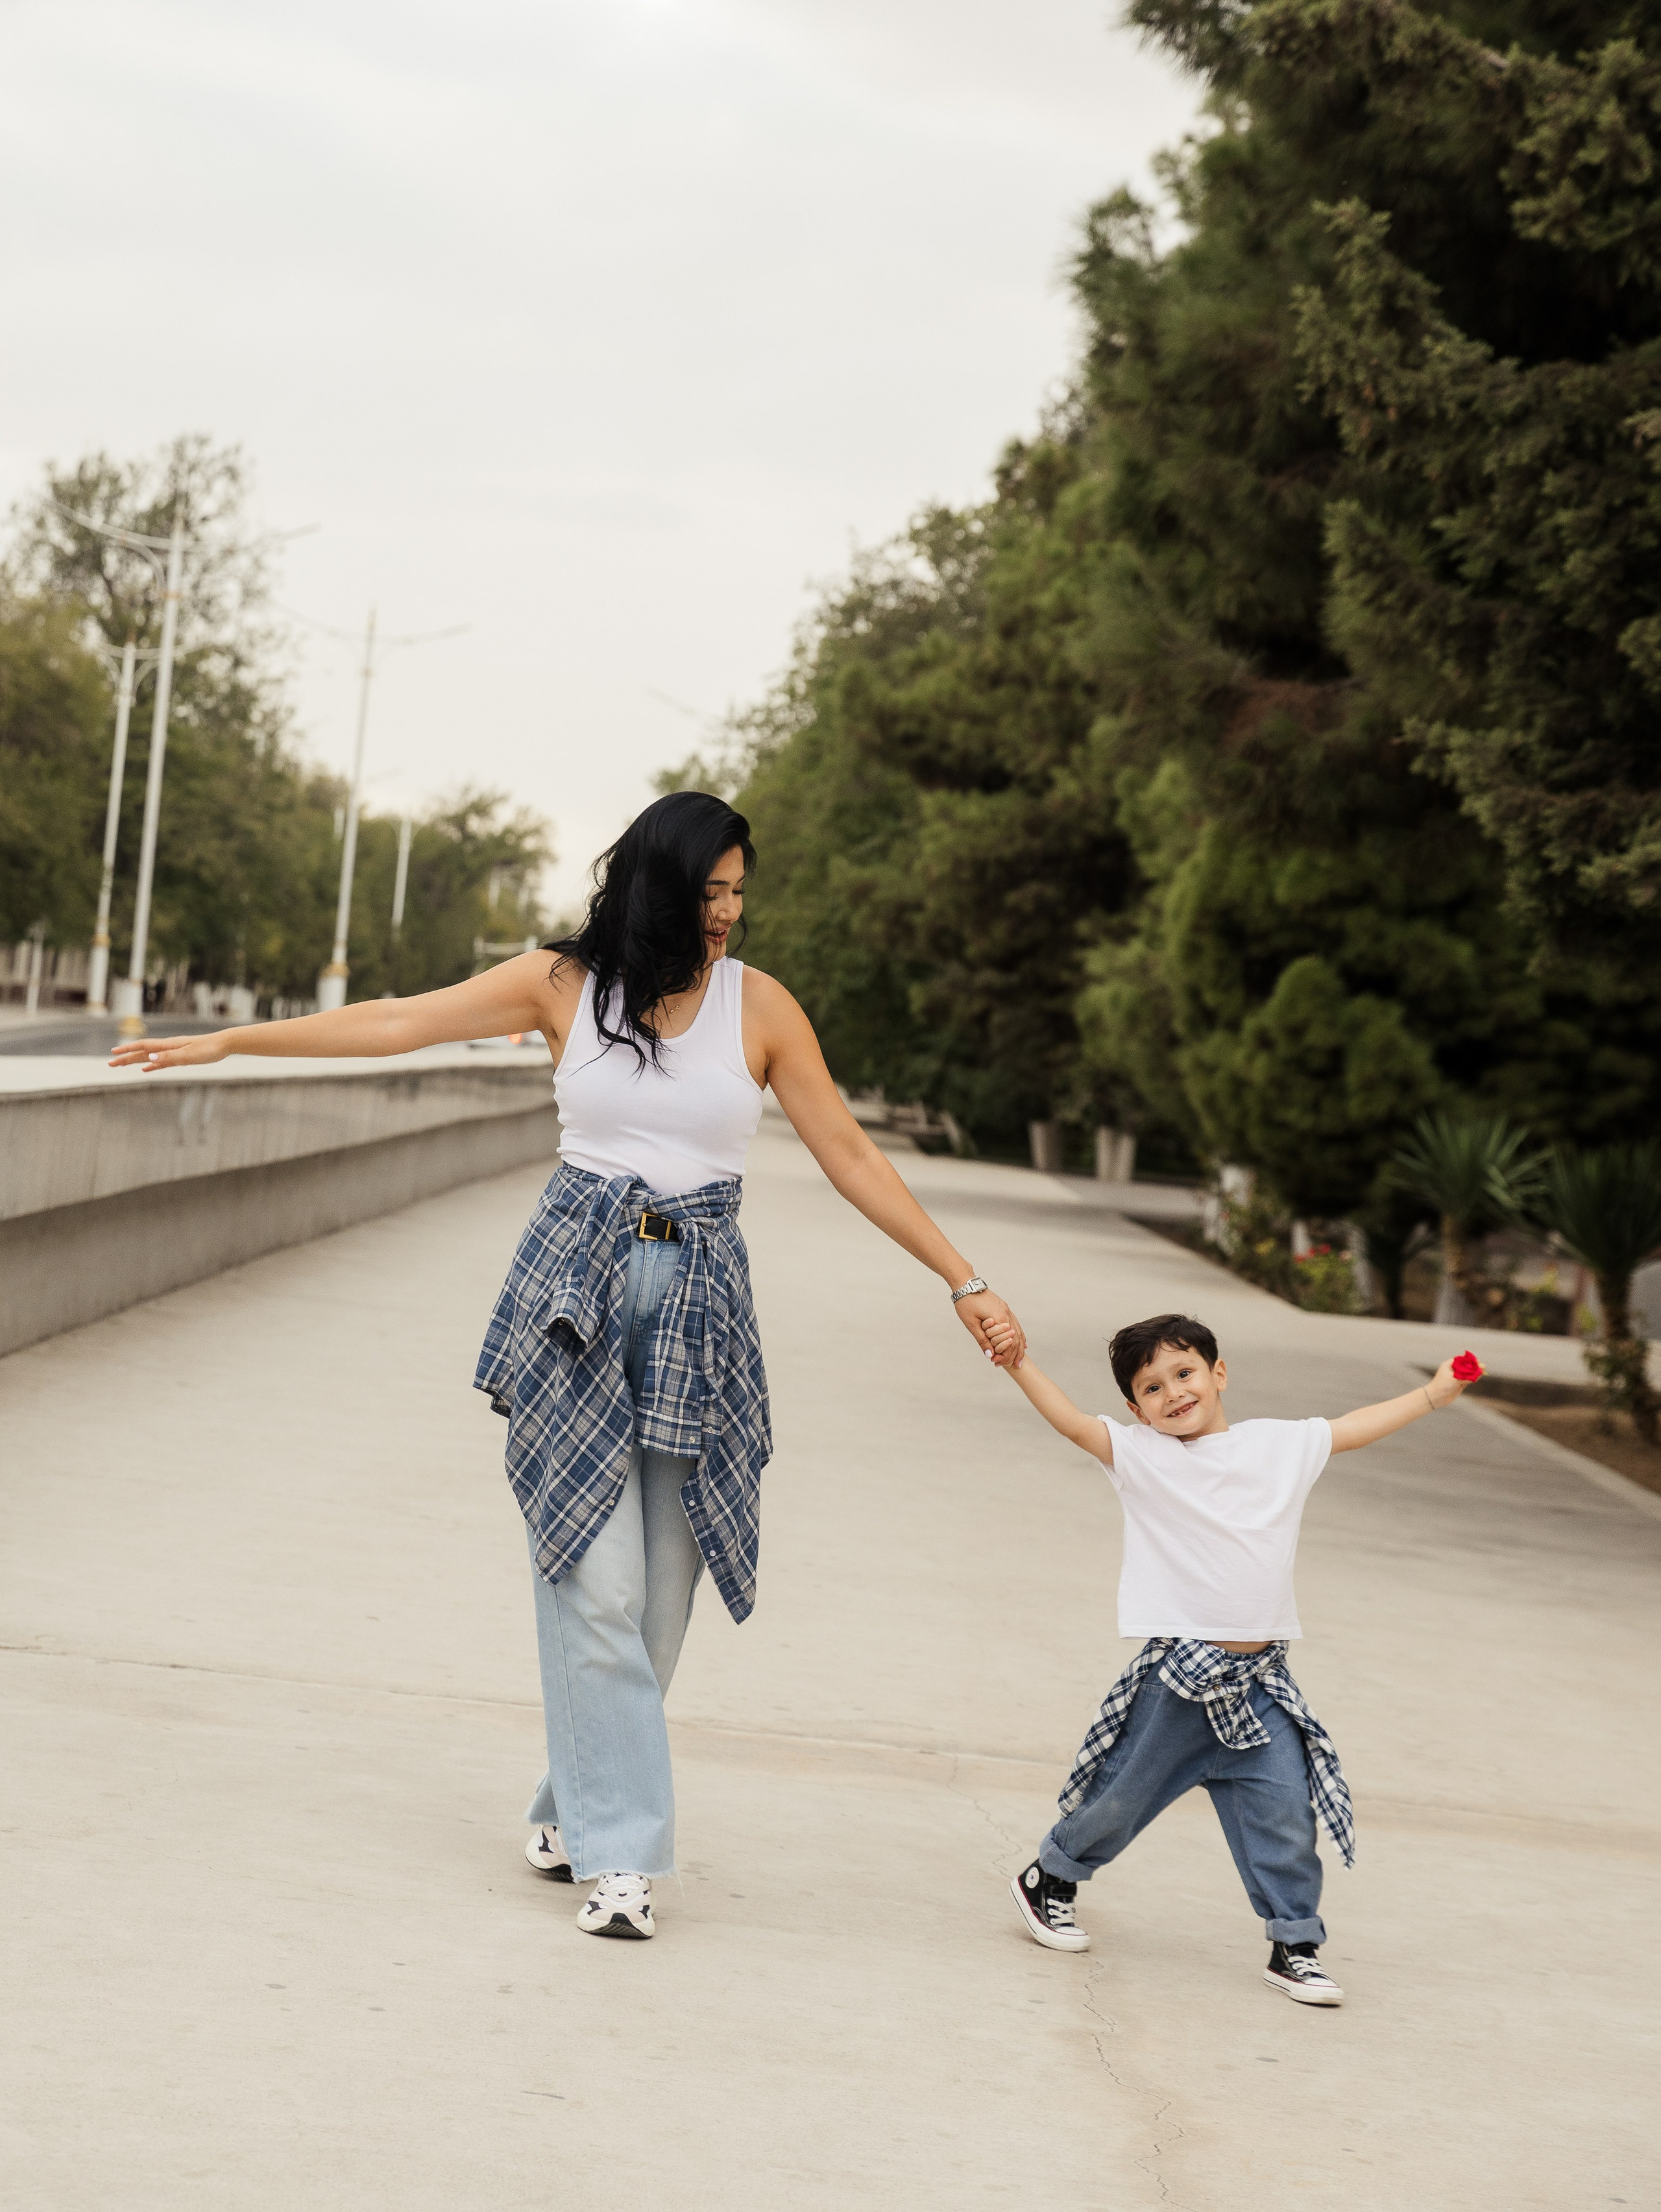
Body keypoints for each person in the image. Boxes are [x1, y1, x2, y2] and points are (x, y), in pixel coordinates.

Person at [110, 791, 1026, 1942]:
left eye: (740, 892)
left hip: (699, 1306)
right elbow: (399, 1022)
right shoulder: (562, 984)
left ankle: (568, 1806)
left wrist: (962, 1276)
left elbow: (846, 1150)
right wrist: (231, 1041)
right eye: (711, 890)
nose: (729, 912)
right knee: (596, 1579)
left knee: (663, 1603)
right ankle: (624, 1859)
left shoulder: (760, 1007)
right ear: (659, 882)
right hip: (574, 1296)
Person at [980, 1308, 1480, 2006]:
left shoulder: (1278, 1445)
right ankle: (1049, 1878)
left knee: (1285, 1813)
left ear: (1218, 1373)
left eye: (1184, 1372)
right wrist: (1017, 1361)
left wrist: (1432, 1394)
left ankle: (1294, 1944)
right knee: (1122, 1796)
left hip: (1260, 1684)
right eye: (1151, 1388)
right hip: (1181, 1684)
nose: (1173, 1393)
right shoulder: (1144, 1456)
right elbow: (1070, 1421)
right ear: (1136, 1410)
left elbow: (1353, 1427)